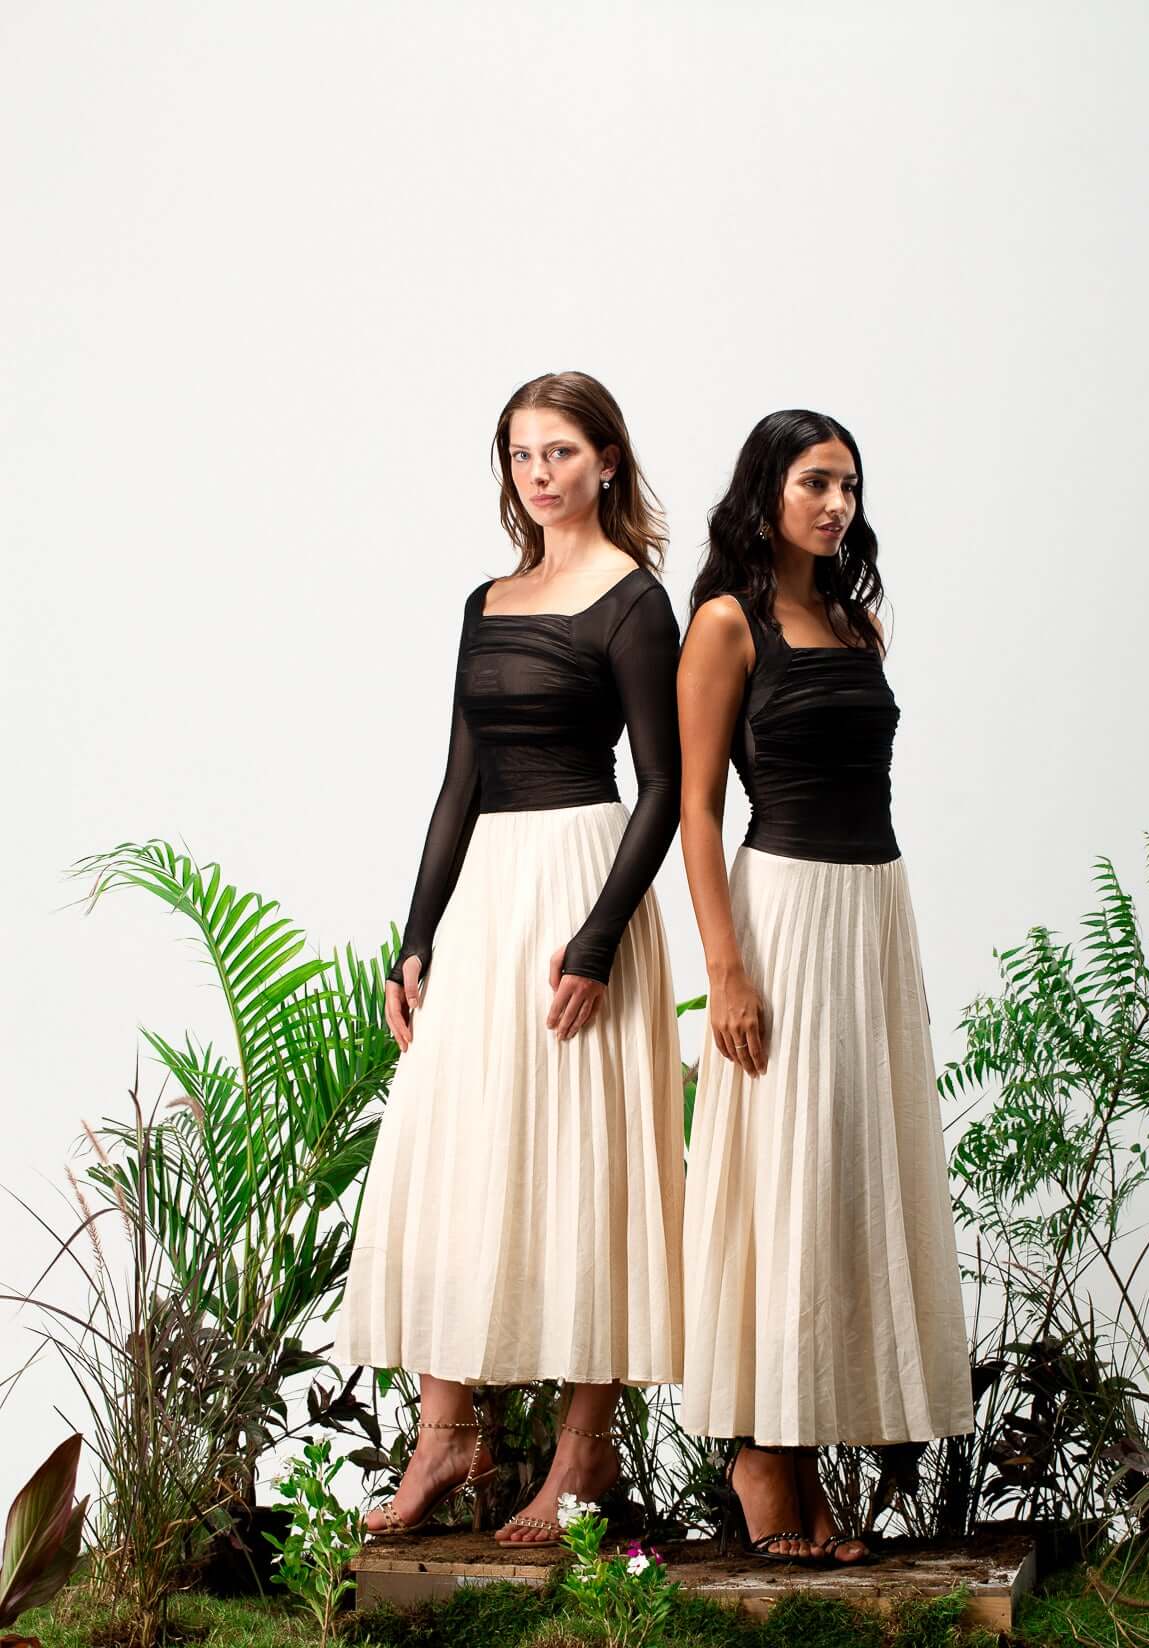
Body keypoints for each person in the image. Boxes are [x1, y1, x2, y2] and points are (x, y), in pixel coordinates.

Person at [335, 371, 685, 1545]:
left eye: (560, 451)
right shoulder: (485, 601)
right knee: (454, 1148)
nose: (538, 473)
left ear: (606, 462)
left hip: (583, 886)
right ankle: (446, 1434)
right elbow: (459, 782)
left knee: (585, 1158)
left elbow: (663, 786)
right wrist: (416, 937)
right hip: (488, 899)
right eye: (521, 454)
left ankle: (585, 1451)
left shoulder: (634, 602)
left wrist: (597, 938)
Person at [677, 410, 974, 1565]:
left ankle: (804, 1458)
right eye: (813, 481)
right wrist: (724, 971)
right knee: (782, 1170)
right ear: (765, 493)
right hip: (784, 914)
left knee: (846, 1169)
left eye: (847, 484)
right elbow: (696, 809)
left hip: (872, 912)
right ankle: (761, 1454)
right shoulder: (725, 625)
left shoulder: (859, 625)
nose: (835, 504)